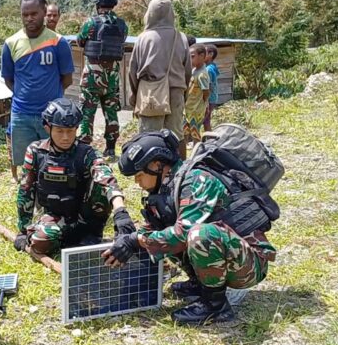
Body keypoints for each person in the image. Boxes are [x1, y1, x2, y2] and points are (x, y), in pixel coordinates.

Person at [103, 131, 277, 325]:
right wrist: (131, 239)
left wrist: (137, 240)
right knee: (164, 230)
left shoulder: (196, 180)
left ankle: (215, 307)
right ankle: (200, 284)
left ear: (157, 165)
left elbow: (182, 234)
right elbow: (154, 232)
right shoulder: (167, 190)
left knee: (198, 235)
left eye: (140, 175)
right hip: (229, 254)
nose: (137, 182)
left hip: (249, 262)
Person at [13, 98, 135, 256]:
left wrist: (121, 212)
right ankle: (67, 237)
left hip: (83, 216)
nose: (65, 137)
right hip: (53, 216)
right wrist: (23, 230)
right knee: (40, 243)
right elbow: (25, 190)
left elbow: (106, 177)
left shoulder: (86, 153)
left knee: (101, 183)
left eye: (70, 131)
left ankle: (91, 235)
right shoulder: (36, 152)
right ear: (47, 128)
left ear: (76, 129)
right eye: (59, 131)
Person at [1, 0, 75, 169]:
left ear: (44, 12)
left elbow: (67, 79)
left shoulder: (58, 43)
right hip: (21, 115)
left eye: (34, 14)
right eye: (25, 15)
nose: (29, 18)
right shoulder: (11, 43)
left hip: (51, 116)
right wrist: (25, 96)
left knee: (53, 163)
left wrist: (50, 99)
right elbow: (9, 80)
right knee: (26, 166)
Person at [128, 0, 191, 141]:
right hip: (176, 92)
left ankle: (151, 164)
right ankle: (179, 164)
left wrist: (135, 94)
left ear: (149, 14)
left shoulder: (143, 38)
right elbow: (187, 70)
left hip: (150, 93)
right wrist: (182, 92)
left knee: (148, 137)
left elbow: (133, 70)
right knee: (177, 136)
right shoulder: (181, 37)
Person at [77, 0, 129, 158]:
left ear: (97, 2)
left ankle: (85, 148)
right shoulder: (122, 25)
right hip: (112, 77)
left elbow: (80, 41)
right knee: (111, 112)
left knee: (87, 112)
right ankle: (111, 148)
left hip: (92, 76)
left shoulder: (91, 23)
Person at [182, 43, 210, 159]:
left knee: (195, 134)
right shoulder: (194, 71)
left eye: (192, 56)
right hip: (188, 109)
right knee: (184, 133)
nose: (190, 59)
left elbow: (206, 92)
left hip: (196, 110)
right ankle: (184, 157)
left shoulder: (203, 74)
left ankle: (196, 157)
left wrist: (204, 104)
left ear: (202, 56)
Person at [204, 44, 220, 132]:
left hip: (209, 99)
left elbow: (208, 87)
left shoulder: (208, 69)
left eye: (204, 53)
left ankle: (209, 141)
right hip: (212, 98)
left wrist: (205, 101)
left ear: (211, 54)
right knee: (206, 120)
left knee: (206, 121)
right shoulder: (212, 66)